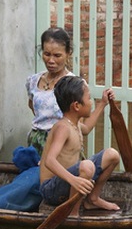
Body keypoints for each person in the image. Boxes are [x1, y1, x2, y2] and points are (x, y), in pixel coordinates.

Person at [39, 75, 121, 215]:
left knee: (112, 155)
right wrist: (73, 180)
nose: (91, 102)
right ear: (77, 106)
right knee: (87, 166)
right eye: (89, 99)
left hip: (71, 182)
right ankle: (73, 213)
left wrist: (103, 103)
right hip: (52, 189)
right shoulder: (62, 128)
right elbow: (49, 160)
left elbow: (87, 128)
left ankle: (92, 199)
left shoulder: (74, 123)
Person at [25, 27, 75, 155]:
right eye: (47, 54)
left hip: (62, 145)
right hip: (36, 144)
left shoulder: (74, 84)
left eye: (57, 55)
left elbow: (80, 122)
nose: (51, 60)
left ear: (68, 53)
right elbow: (33, 107)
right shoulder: (33, 81)